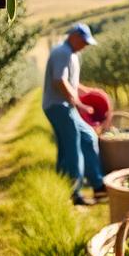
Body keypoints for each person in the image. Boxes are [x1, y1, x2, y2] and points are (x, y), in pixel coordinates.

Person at [43, 23, 107, 206]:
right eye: (84, 42)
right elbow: (60, 82)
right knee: (72, 147)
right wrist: (80, 104)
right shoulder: (62, 53)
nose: (85, 46)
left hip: (65, 106)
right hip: (58, 106)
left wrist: (88, 91)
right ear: (74, 36)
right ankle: (75, 193)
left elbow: (72, 83)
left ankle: (97, 185)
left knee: (87, 137)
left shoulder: (72, 54)